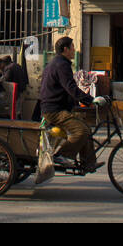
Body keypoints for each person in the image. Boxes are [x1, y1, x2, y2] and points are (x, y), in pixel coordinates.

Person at [40, 36, 104, 172]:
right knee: (81, 130)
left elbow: (66, 89)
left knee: (86, 127)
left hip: (56, 106)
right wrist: (90, 100)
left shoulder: (57, 63)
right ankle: (62, 155)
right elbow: (71, 88)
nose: (74, 50)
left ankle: (88, 163)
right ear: (66, 49)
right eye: (72, 47)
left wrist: (81, 102)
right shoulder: (61, 65)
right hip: (54, 110)